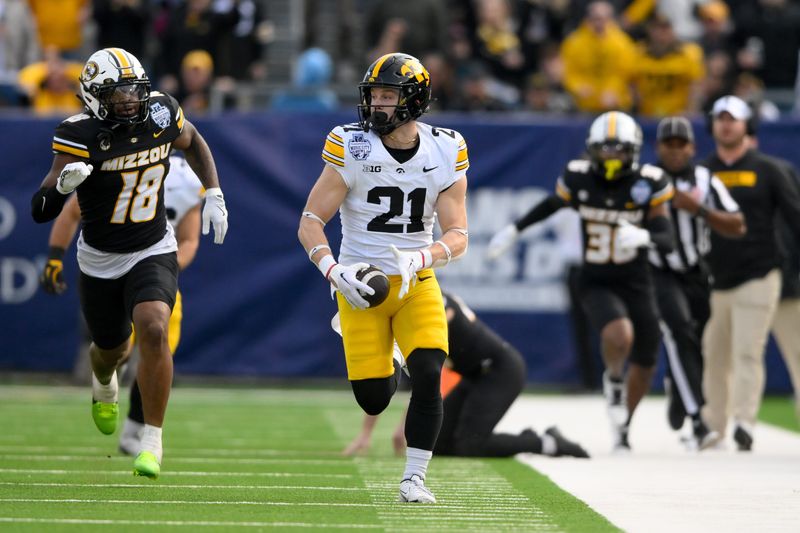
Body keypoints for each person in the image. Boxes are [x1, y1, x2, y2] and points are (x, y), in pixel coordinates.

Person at [30, 47, 228, 479]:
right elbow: (41, 207)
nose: (128, 101)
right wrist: (63, 185)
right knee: (110, 350)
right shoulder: (78, 134)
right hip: (100, 257)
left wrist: (212, 190)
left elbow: (192, 141)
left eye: (133, 91)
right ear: (95, 96)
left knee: (155, 325)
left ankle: (151, 439)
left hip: (152, 245)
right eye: (117, 94)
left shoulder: (160, 112)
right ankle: (104, 382)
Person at [297, 53, 469, 503]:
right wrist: (333, 271)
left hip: (417, 282)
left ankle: (413, 478)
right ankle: (388, 358)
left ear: (414, 100)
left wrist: (422, 256)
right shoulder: (351, 144)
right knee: (374, 398)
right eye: (374, 95)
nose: (377, 105)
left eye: (388, 96)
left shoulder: (446, 148)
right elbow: (310, 221)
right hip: (362, 284)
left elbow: (458, 234)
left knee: (430, 371)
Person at [488, 111, 675, 452]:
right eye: (605, 149)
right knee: (620, 335)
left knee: (646, 362)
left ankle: (623, 428)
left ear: (633, 151)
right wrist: (515, 229)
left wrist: (645, 236)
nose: (612, 156)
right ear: (592, 150)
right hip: (596, 278)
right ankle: (614, 379)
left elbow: (668, 237)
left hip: (637, 279)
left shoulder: (648, 182)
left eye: (619, 150)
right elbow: (552, 204)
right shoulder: (578, 177)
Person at [39, 152, 203, 456]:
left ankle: (139, 430)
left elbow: (190, 238)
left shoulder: (186, 181)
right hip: (108, 266)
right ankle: (106, 376)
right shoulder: (119, 167)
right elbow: (71, 212)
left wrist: (163, 267)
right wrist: (54, 255)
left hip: (154, 264)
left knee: (157, 345)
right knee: (116, 348)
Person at [341, 292, 590, 459]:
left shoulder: (431, 307)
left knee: (470, 444)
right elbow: (383, 374)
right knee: (435, 443)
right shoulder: (413, 303)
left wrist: (402, 428)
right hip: (473, 375)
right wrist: (366, 434)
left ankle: (545, 442)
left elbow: (428, 377)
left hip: (500, 371)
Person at [701, 95, 800, 451]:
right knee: (714, 353)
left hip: (761, 273)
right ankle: (714, 424)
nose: (726, 124)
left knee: (748, 350)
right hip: (717, 279)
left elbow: (795, 218)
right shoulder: (702, 171)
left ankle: (744, 421)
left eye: (734, 119)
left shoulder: (768, 169)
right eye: (720, 118)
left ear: (747, 126)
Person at [649, 116, 745, 449]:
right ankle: (697, 419)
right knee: (679, 332)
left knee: (703, 344)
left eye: (681, 145)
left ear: (691, 147)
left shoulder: (705, 179)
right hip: (658, 271)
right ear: (658, 147)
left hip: (697, 271)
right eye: (668, 145)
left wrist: (698, 209)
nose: (675, 151)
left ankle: (679, 388)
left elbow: (737, 224)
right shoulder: (646, 180)